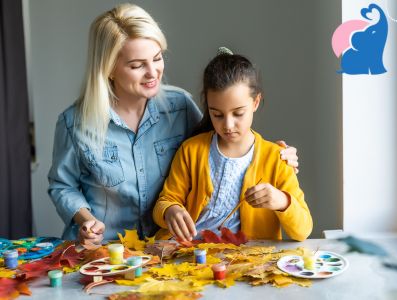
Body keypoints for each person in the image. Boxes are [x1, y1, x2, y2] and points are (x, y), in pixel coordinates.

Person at [48, 4, 299, 246]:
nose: (152, 72)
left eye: (157, 58)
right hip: (106, 252)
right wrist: (86, 221)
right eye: (137, 65)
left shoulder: (181, 106)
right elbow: (63, 186)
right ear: (109, 69)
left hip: (165, 253)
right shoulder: (74, 123)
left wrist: (275, 155)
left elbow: (222, 143)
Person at [153, 48, 312, 242]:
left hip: (247, 263)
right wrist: (171, 210)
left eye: (238, 113)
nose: (227, 125)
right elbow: (165, 201)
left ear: (255, 102)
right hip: (190, 255)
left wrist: (282, 201)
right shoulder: (191, 151)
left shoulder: (277, 158)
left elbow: (303, 230)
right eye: (217, 114)